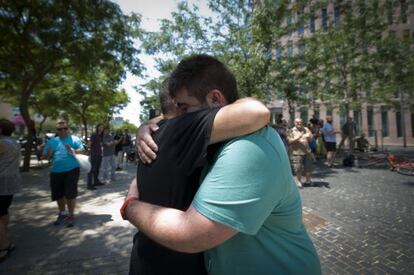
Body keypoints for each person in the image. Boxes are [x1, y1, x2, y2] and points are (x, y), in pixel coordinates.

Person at [123, 55, 321, 274]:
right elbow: (167, 118)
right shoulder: (213, 139)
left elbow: (191, 235)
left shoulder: (249, 147)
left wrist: (130, 206)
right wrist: (146, 126)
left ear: (216, 99)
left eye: (184, 108)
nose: (177, 121)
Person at [126, 76, 270, 274]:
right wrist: (129, 207)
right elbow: (257, 112)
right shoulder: (183, 130)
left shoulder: (154, 134)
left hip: (144, 256)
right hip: (180, 265)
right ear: (179, 105)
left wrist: (144, 125)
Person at [43, 121, 84, 227]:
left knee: (70, 194)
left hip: (72, 169)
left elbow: (82, 150)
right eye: (60, 129)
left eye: (65, 128)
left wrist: (74, 150)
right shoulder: (52, 141)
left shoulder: (74, 139)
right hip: (56, 171)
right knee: (58, 195)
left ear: (68, 128)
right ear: (57, 130)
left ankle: (71, 215)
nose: (63, 131)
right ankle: (62, 213)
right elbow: (45, 158)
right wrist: (49, 153)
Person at [0, 119, 21, 262]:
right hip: (9, 183)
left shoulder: (2, 143)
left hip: (2, 182)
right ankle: (5, 237)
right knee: (3, 212)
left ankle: (4, 245)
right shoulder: (14, 142)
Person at [288, 118, 314, 188]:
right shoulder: (291, 131)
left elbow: (311, 138)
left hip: (307, 152)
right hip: (297, 153)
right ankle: (299, 181)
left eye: (301, 122)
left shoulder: (306, 129)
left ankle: (308, 180)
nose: (299, 123)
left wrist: (310, 137)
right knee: (298, 168)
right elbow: (290, 141)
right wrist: (299, 137)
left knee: (308, 167)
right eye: (297, 122)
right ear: (294, 123)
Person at [87, 124, 105, 190]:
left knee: (97, 169)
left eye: (102, 127)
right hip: (94, 154)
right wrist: (90, 153)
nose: (101, 128)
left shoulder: (101, 136)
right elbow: (89, 144)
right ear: (97, 128)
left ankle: (96, 181)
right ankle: (89, 185)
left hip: (99, 154)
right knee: (91, 169)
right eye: (100, 127)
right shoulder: (94, 135)